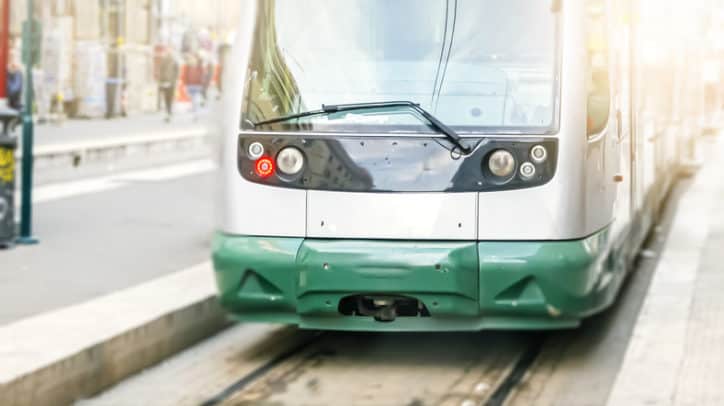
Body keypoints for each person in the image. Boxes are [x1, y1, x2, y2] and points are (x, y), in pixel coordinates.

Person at [158, 48, 179, 122]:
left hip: (172, 83)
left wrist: (175, 80)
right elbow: (161, 71)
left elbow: (177, 72)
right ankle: (168, 111)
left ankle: (169, 111)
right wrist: (160, 81)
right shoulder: (163, 61)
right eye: (168, 53)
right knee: (166, 98)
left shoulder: (174, 61)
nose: (169, 54)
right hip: (164, 82)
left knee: (170, 98)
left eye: (170, 53)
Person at [183, 54, 205, 121]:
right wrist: (185, 85)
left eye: (194, 60)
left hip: (197, 86)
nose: (193, 61)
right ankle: (195, 112)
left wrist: (202, 84)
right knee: (193, 100)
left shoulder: (199, 68)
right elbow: (185, 76)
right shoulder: (188, 67)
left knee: (195, 100)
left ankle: (196, 115)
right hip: (190, 86)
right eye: (192, 60)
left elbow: (202, 76)